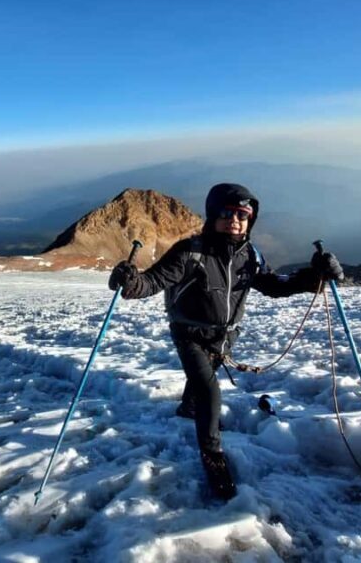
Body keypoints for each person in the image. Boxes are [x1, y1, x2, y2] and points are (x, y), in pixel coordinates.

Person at [108, 183, 344, 499]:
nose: (235, 220)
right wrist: (130, 282)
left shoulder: (250, 256)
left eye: (243, 215)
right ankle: (212, 455)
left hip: (224, 337)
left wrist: (314, 277)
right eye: (227, 212)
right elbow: (152, 281)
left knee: (203, 383)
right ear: (212, 214)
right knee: (209, 389)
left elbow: (274, 285)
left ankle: (188, 408)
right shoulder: (190, 251)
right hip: (189, 335)